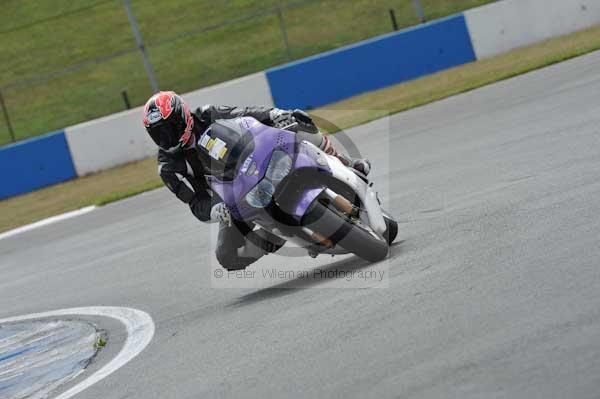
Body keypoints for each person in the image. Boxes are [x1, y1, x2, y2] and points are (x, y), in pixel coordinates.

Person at [143, 91, 370, 270]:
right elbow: (195, 202)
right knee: (227, 256)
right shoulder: (169, 168)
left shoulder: (207, 114)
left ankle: (345, 162)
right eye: (158, 134)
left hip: (258, 159)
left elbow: (246, 114)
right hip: (233, 199)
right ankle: (273, 235)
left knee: (299, 122)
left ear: (183, 116)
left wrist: (274, 115)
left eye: (169, 129)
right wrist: (215, 210)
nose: (166, 138)